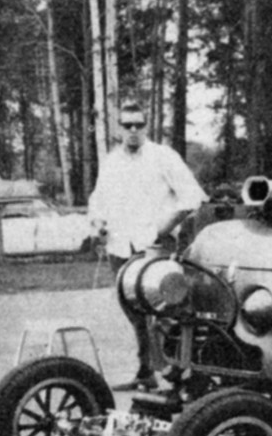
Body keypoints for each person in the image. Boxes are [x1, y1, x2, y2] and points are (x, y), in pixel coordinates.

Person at [88, 101, 208, 390]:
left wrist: (161, 230)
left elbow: (193, 198)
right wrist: (97, 223)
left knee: (167, 311)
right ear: (119, 129)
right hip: (120, 247)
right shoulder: (112, 161)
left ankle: (186, 373)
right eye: (127, 125)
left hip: (154, 248)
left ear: (146, 127)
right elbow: (98, 201)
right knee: (134, 311)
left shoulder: (162, 156)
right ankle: (146, 373)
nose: (132, 130)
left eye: (138, 125)